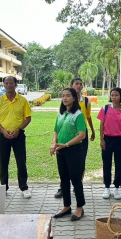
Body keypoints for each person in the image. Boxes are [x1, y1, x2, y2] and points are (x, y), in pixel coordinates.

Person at [55, 77, 95, 198]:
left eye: (80, 84)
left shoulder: (86, 101)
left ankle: (77, 183)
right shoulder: (66, 101)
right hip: (67, 133)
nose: (79, 86)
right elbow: (60, 121)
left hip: (81, 133)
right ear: (71, 85)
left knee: (80, 160)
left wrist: (92, 131)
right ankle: (63, 187)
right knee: (64, 164)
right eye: (76, 84)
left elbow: (88, 117)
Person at [0, 76, 32, 198]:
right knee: (3, 162)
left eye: (11, 83)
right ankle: (3, 187)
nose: (9, 85)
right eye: (6, 83)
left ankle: (24, 187)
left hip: (18, 136)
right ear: (4, 85)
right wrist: (3, 131)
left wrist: (18, 129)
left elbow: (28, 118)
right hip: (3, 136)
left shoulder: (23, 100)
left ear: (16, 85)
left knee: (21, 162)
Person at [51, 88, 86, 221]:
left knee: (75, 179)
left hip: (74, 150)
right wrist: (54, 144)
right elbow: (55, 130)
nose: (65, 98)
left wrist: (66, 145)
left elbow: (82, 135)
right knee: (64, 179)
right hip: (61, 150)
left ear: (73, 98)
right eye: (63, 96)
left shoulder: (78, 114)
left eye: (68, 96)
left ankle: (80, 207)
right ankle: (66, 206)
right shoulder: (60, 113)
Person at [97, 87, 121, 200]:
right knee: (106, 164)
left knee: (119, 165)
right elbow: (101, 125)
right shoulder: (105, 108)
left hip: (120, 140)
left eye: (116, 95)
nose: (114, 97)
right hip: (107, 139)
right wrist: (101, 139)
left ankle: (116, 187)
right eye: (112, 95)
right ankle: (107, 187)